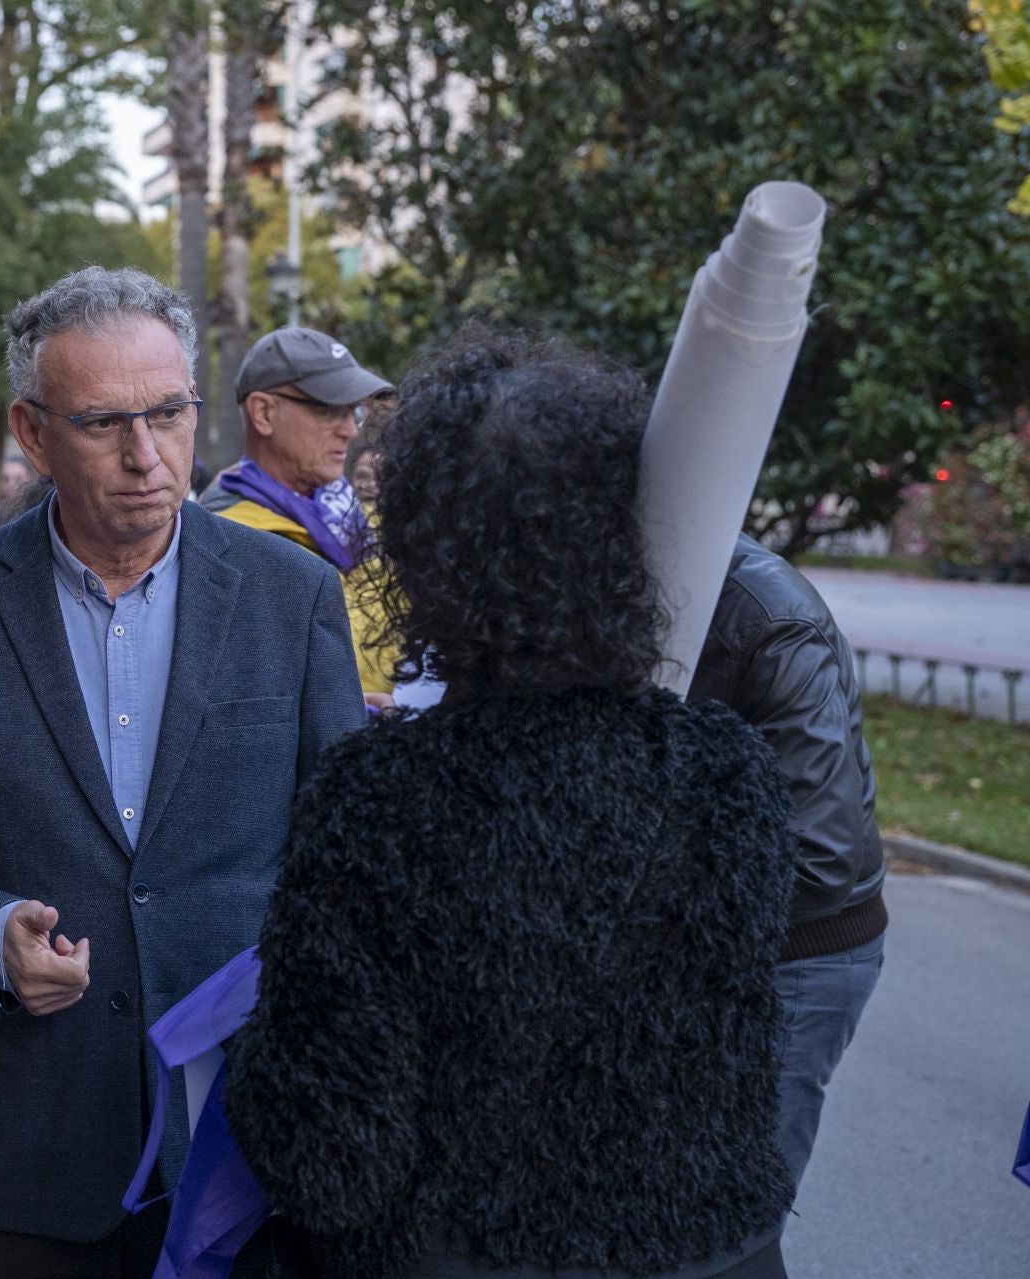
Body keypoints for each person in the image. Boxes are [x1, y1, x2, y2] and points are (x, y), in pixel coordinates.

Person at [225, 329, 798, 1279]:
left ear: (417, 550)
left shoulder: (378, 799)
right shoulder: (727, 767)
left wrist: (253, 1053)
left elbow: (332, 1162)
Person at [0, 266, 364, 1278]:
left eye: (168, 413)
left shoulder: (290, 594)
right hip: (13, 1160)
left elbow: (343, 841)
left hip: (244, 1148)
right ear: (33, 435)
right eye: (104, 421)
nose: (146, 454)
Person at [689, 534, 888, 1191]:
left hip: (800, 955)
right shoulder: (666, 580)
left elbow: (820, 859)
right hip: (731, 946)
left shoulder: (769, 617)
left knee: (737, 1215)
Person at [200, 325, 398, 705]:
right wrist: (352, 709)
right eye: (329, 410)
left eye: (353, 410)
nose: (351, 430)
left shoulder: (350, 514)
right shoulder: (224, 544)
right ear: (263, 413)